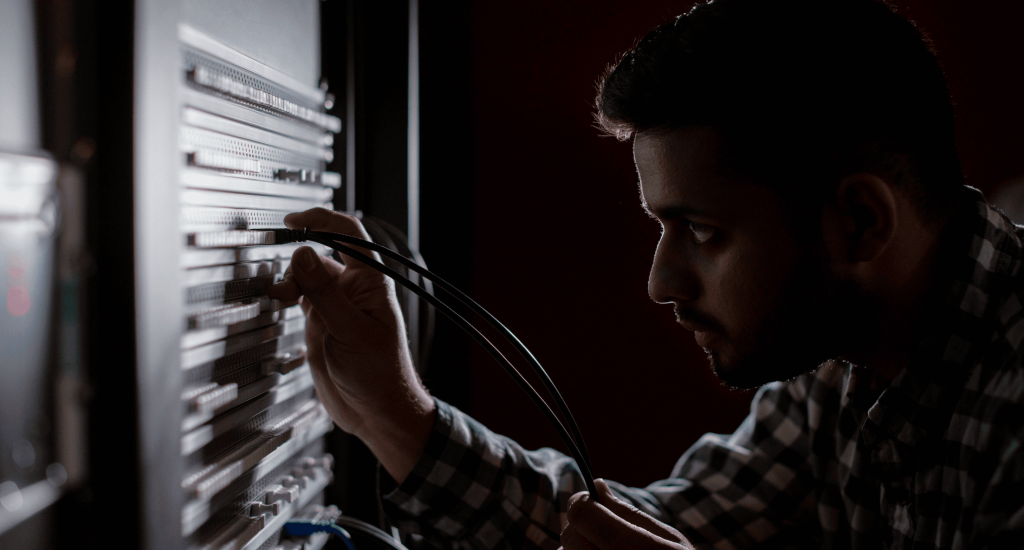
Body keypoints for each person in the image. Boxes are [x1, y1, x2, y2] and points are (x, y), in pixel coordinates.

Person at [268, 0, 1024, 547]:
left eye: (703, 231)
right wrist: (393, 412)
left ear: (861, 220)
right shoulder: (843, 364)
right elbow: (650, 530)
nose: (662, 282)